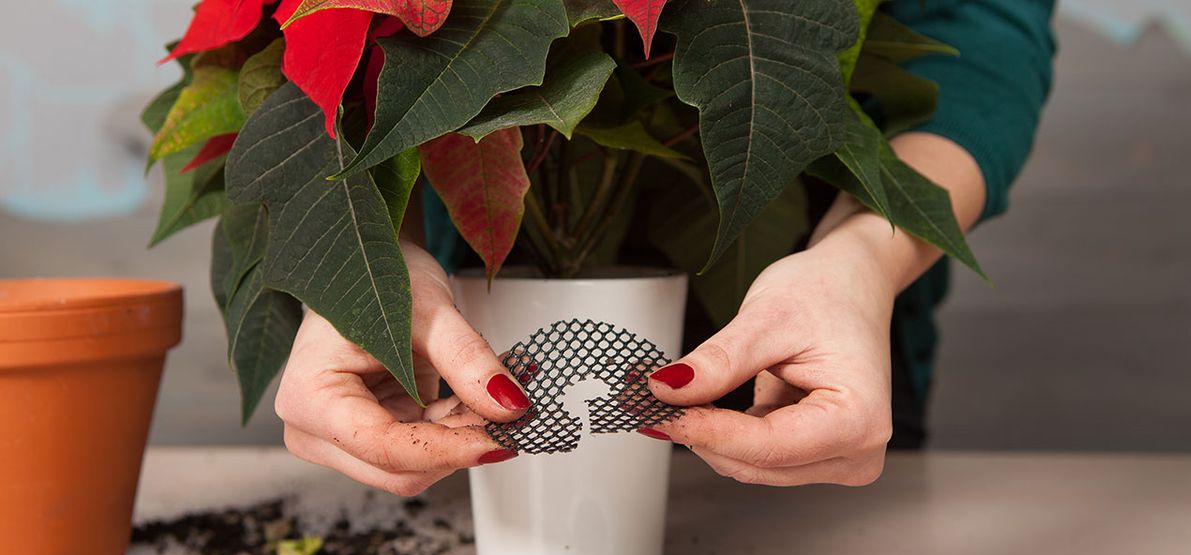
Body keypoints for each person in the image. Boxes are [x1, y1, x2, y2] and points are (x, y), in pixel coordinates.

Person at [273, 0, 1057, 495]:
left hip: (818, 382)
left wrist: (861, 261)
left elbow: (983, 46)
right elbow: (354, 57)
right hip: (448, 377)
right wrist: (375, 268)